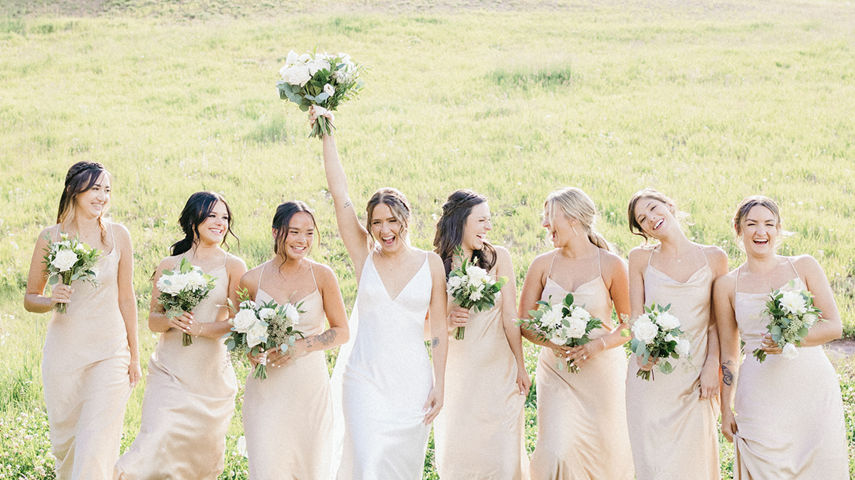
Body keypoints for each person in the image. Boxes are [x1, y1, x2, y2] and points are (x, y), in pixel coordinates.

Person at [316, 110, 448, 479]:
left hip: (412, 384)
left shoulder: (431, 264)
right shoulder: (365, 257)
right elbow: (339, 192)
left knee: (401, 469)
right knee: (369, 462)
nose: (384, 229)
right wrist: (326, 132)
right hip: (365, 380)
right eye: (376, 222)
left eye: (391, 220)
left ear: (406, 219)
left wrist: (440, 384)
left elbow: (438, 331)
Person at [115, 191, 246, 479]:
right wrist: (172, 320)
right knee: (152, 443)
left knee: (199, 462)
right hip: (170, 373)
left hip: (210, 379)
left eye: (224, 217)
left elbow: (239, 322)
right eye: (212, 215)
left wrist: (201, 329)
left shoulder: (233, 266)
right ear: (194, 219)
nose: (220, 222)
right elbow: (153, 321)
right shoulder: (170, 265)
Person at [714, 195, 847, 479]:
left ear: (778, 229)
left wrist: (789, 340)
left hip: (811, 389)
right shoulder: (726, 285)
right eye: (751, 224)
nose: (761, 231)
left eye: (769, 224)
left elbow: (834, 326)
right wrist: (725, 409)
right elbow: (728, 353)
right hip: (759, 395)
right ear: (738, 229)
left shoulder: (804, 266)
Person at [24, 161, 140, 480]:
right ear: (74, 190)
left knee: (95, 446)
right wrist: (51, 299)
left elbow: (127, 298)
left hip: (110, 354)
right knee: (69, 449)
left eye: (107, 190)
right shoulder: (51, 237)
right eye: (95, 189)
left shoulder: (118, 236)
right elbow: (30, 298)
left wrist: (134, 356)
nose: (102, 196)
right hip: (64, 356)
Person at [518, 187, 633, 479]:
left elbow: (630, 325)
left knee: (604, 451)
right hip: (557, 372)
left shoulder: (611, 264)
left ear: (572, 219)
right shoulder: (543, 264)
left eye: (549, 216)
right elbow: (524, 322)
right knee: (556, 449)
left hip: (602, 374)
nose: (544, 224)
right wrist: (553, 342)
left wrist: (599, 345)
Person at [240, 201, 348, 479]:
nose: (303, 240)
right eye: (295, 232)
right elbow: (238, 332)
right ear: (276, 232)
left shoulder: (323, 275)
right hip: (267, 390)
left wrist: (304, 346)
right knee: (267, 466)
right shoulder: (251, 279)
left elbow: (341, 330)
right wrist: (252, 352)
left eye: (309, 233)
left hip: (309, 390)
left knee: (310, 468)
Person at [625, 188, 727, 479]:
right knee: (655, 465)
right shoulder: (640, 260)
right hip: (651, 378)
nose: (651, 219)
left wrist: (712, 365)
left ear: (670, 204)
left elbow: (718, 322)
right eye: (642, 220)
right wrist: (642, 353)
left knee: (695, 461)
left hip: (694, 375)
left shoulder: (714, 258)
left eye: (654, 209)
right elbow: (636, 317)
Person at [432, 189, 530, 479]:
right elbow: (427, 327)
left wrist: (521, 365)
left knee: (503, 456)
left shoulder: (500, 257)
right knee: (462, 455)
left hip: (500, 375)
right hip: (459, 377)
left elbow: (510, 316)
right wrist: (448, 320)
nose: (488, 227)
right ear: (461, 221)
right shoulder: (436, 265)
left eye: (489, 220)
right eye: (481, 220)